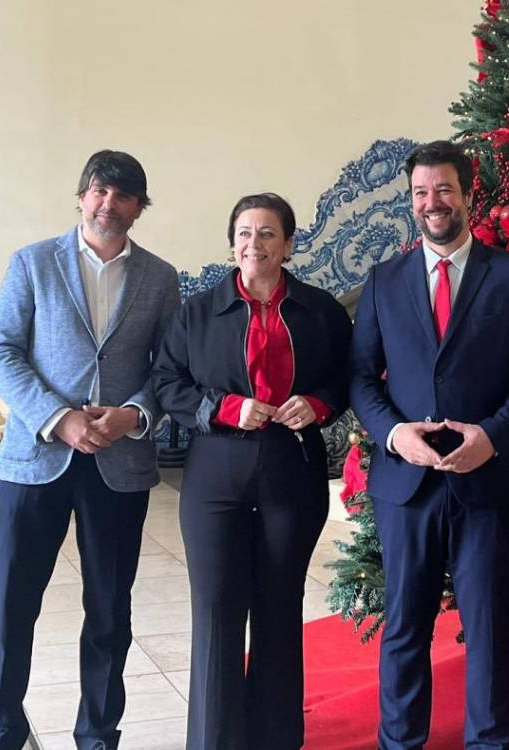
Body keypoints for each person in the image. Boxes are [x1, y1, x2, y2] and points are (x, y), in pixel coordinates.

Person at [0, 149, 180, 750]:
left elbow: (169, 368)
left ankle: (97, 735)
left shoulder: (160, 277)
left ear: (139, 208)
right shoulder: (33, 262)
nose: (108, 204)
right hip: (35, 460)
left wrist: (133, 415)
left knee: (110, 610)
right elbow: (1, 351)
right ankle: (2, 731)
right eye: (99, 191)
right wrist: (58, 417)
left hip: (119, 465)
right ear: (82, 196)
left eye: (123, 196)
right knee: (13, 605)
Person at [350, 140, 509, 750]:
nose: (431, 202)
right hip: (406, 484)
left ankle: (489, 742)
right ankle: (400, 741)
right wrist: (393, 434)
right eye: (420, 192)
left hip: (486, 480)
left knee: (488, 626)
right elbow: (360, 377)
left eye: (443, 190)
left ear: (467, 194)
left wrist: (493, 436)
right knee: (405, 626)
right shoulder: (383, 282)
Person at [153, 192, 352, 749]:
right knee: (217, 612)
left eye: (267, 233)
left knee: (279, 609)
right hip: (216, 473)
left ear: (288, 245)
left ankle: (276, 738)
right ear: (231, 243)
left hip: (293, 470)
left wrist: (318, 404)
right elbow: (167, 383)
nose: (254, 244)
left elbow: (348, 378)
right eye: (244, 233)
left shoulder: (321, 311)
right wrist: (223, 407)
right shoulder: (197, 313)